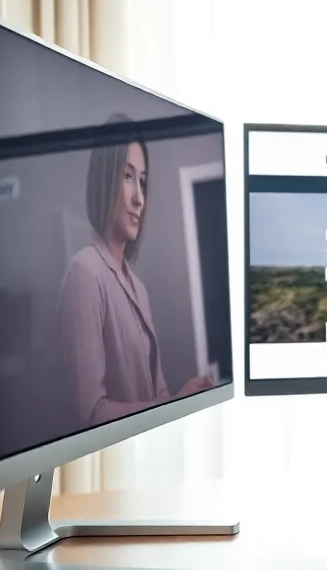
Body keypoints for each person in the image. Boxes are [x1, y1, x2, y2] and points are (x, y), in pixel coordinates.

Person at [57, 114, 212, 427]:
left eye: (142, 181)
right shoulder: (84, 274)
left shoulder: (138, 288)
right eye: (127, 177)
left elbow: (159, 396)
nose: (139, 198)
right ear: (104, 179)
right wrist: (170, 405)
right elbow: (90, 412)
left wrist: (182, 400)